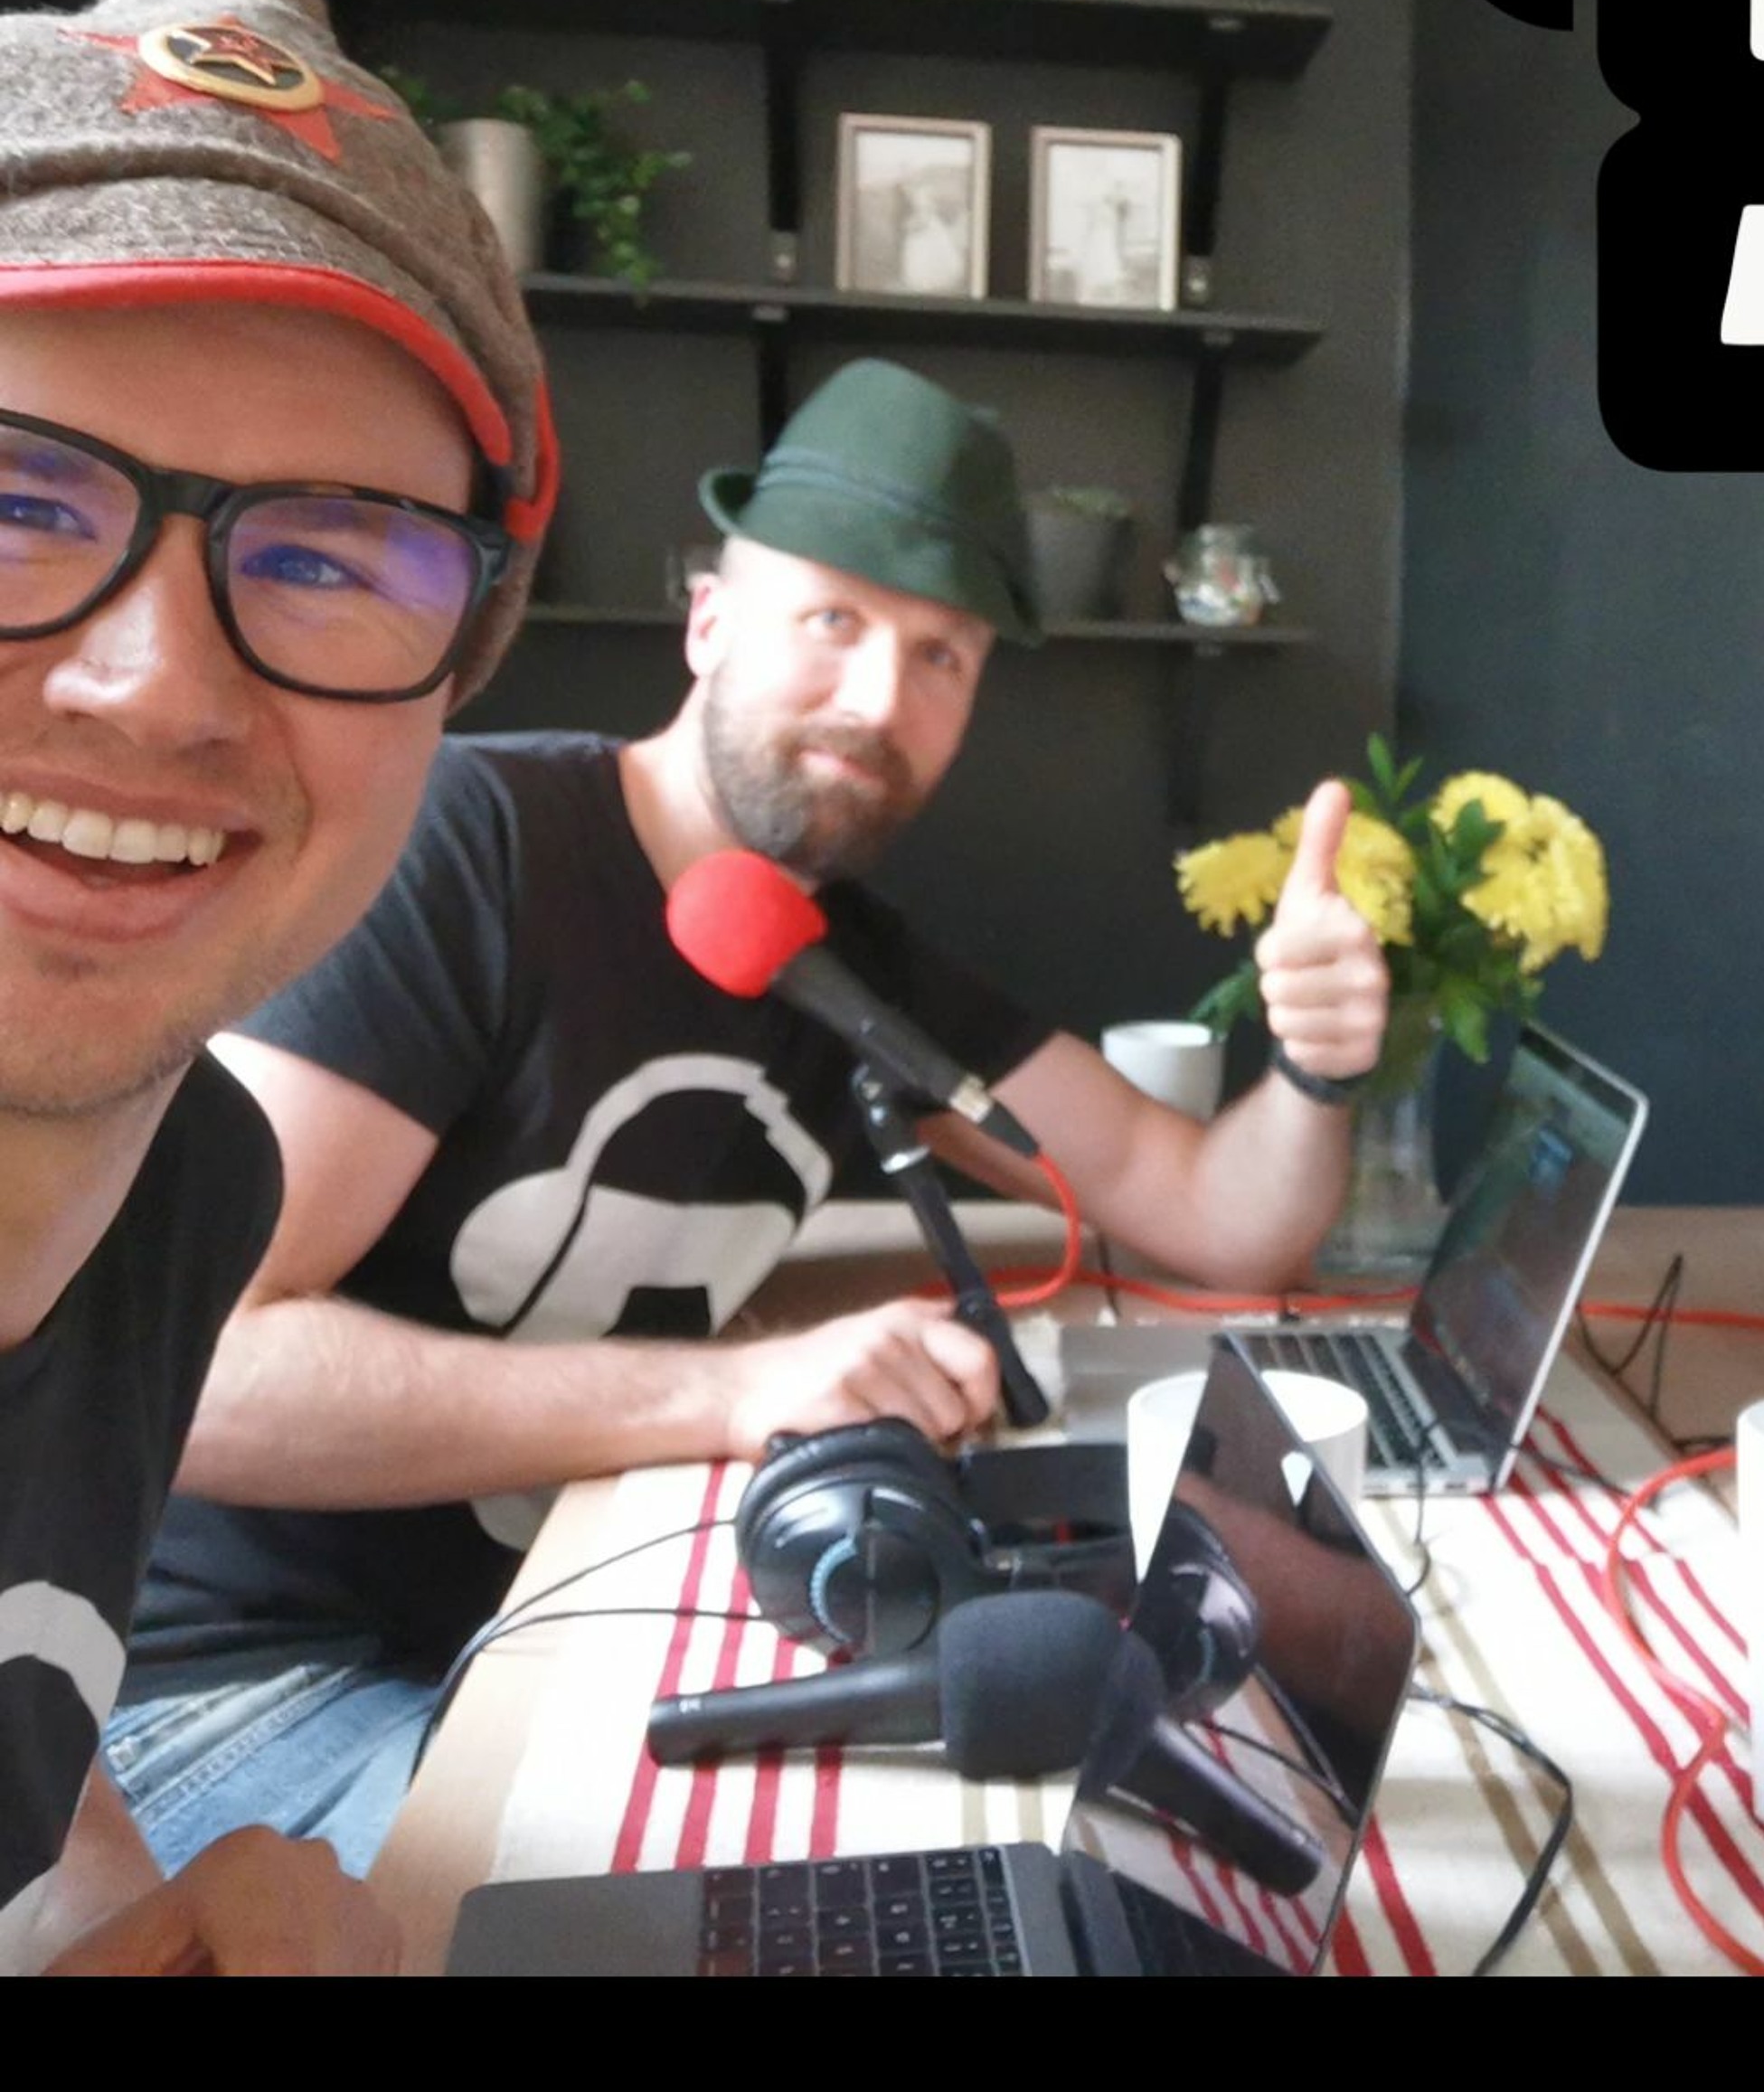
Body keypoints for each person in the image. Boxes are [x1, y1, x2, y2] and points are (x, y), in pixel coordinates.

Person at [107, 356, 1392, 1874]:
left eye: (940, 655)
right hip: (236, 1695)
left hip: (545, 1639)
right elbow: (197, 1375)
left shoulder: (845, 964)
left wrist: (1316, 1063)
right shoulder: (469, 845)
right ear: (711, 621)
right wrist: (732, 1392)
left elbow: (1219, 1218)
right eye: (832, 620)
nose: (879, 699)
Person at [0, 0, 554, 1971]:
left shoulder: (183, 1181)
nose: (157, 687)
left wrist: (131, 1923)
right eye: (13, 505)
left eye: (327, 559)